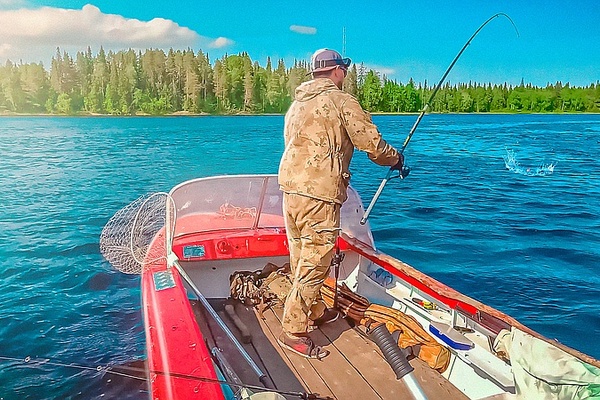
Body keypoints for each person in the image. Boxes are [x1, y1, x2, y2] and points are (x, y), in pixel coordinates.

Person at [277, 48, 404, 358]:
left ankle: (316, 309)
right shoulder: (341, 100)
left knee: (301, 258)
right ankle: (293, 331)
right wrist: (396, 158)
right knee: (316, 261)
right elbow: (370, 143)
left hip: (290, 193)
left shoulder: (296, 105)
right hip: (319, 195)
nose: (345, 75)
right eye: (343, 70)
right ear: (336, 71)